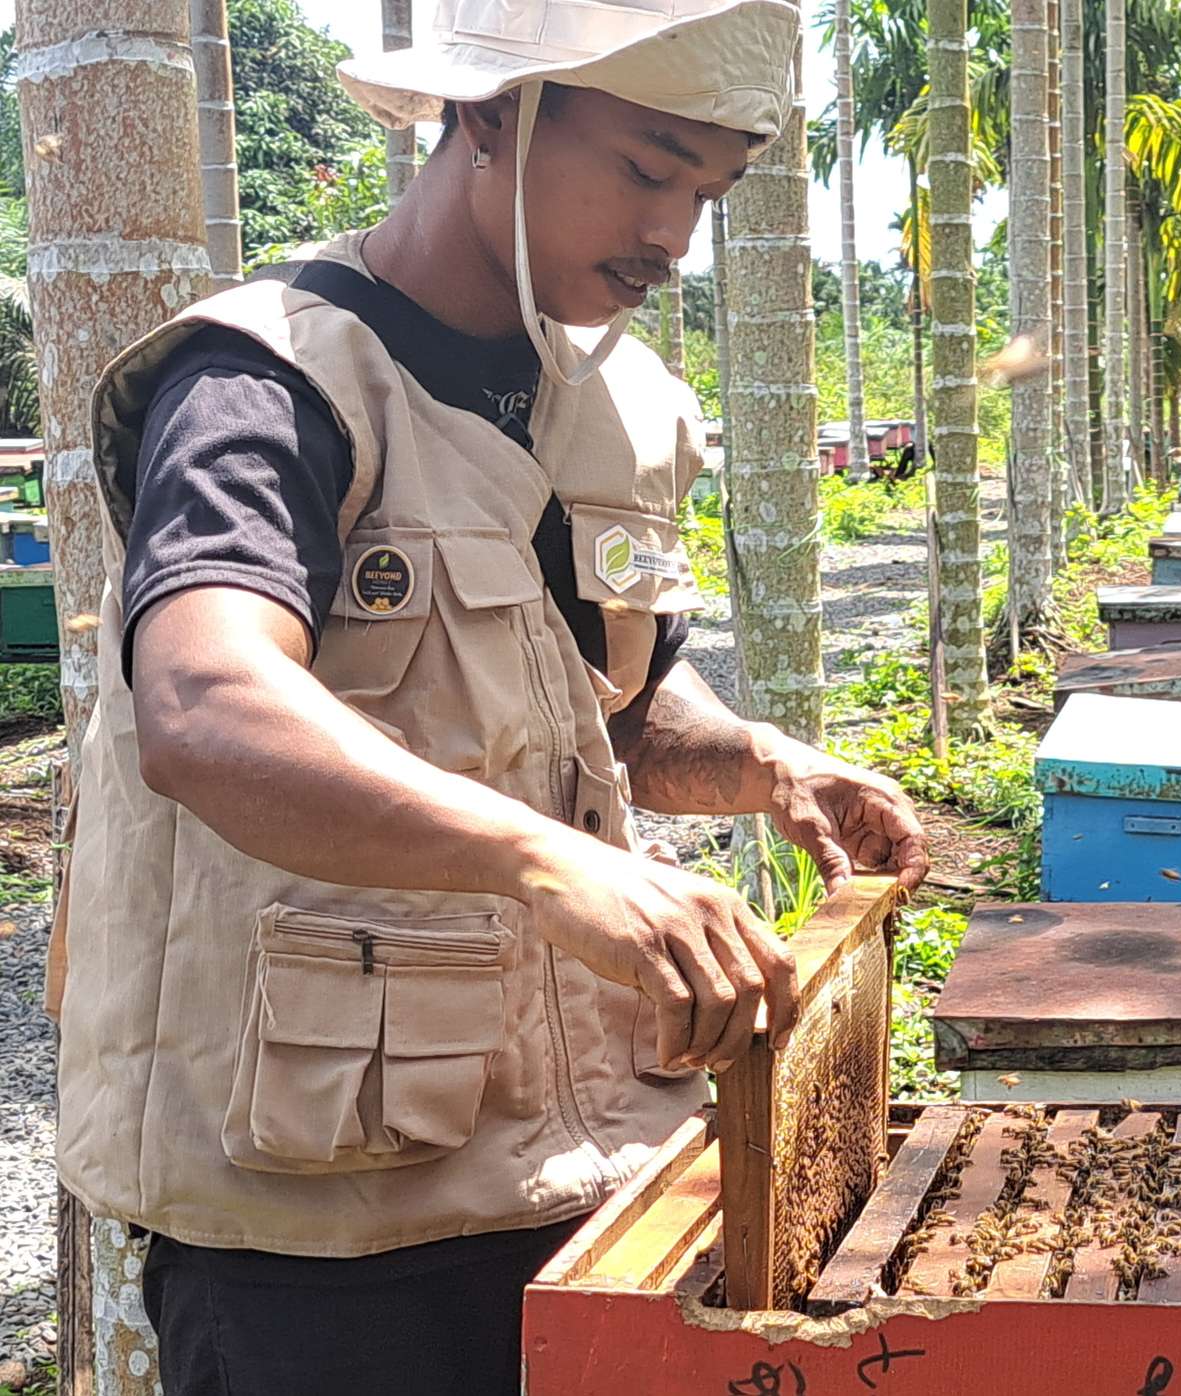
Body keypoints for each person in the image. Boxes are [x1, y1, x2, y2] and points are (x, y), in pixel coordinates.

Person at [46, 0, 929, 1390]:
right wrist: (543, 862)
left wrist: (765, 764)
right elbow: (205, 707)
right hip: (318, 1237)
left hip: (593, 1182)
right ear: (491, 115)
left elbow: (614, 707)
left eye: (710, 189)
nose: (673, 234)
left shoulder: (621, 402)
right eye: (647, 169)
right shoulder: (263, 380)